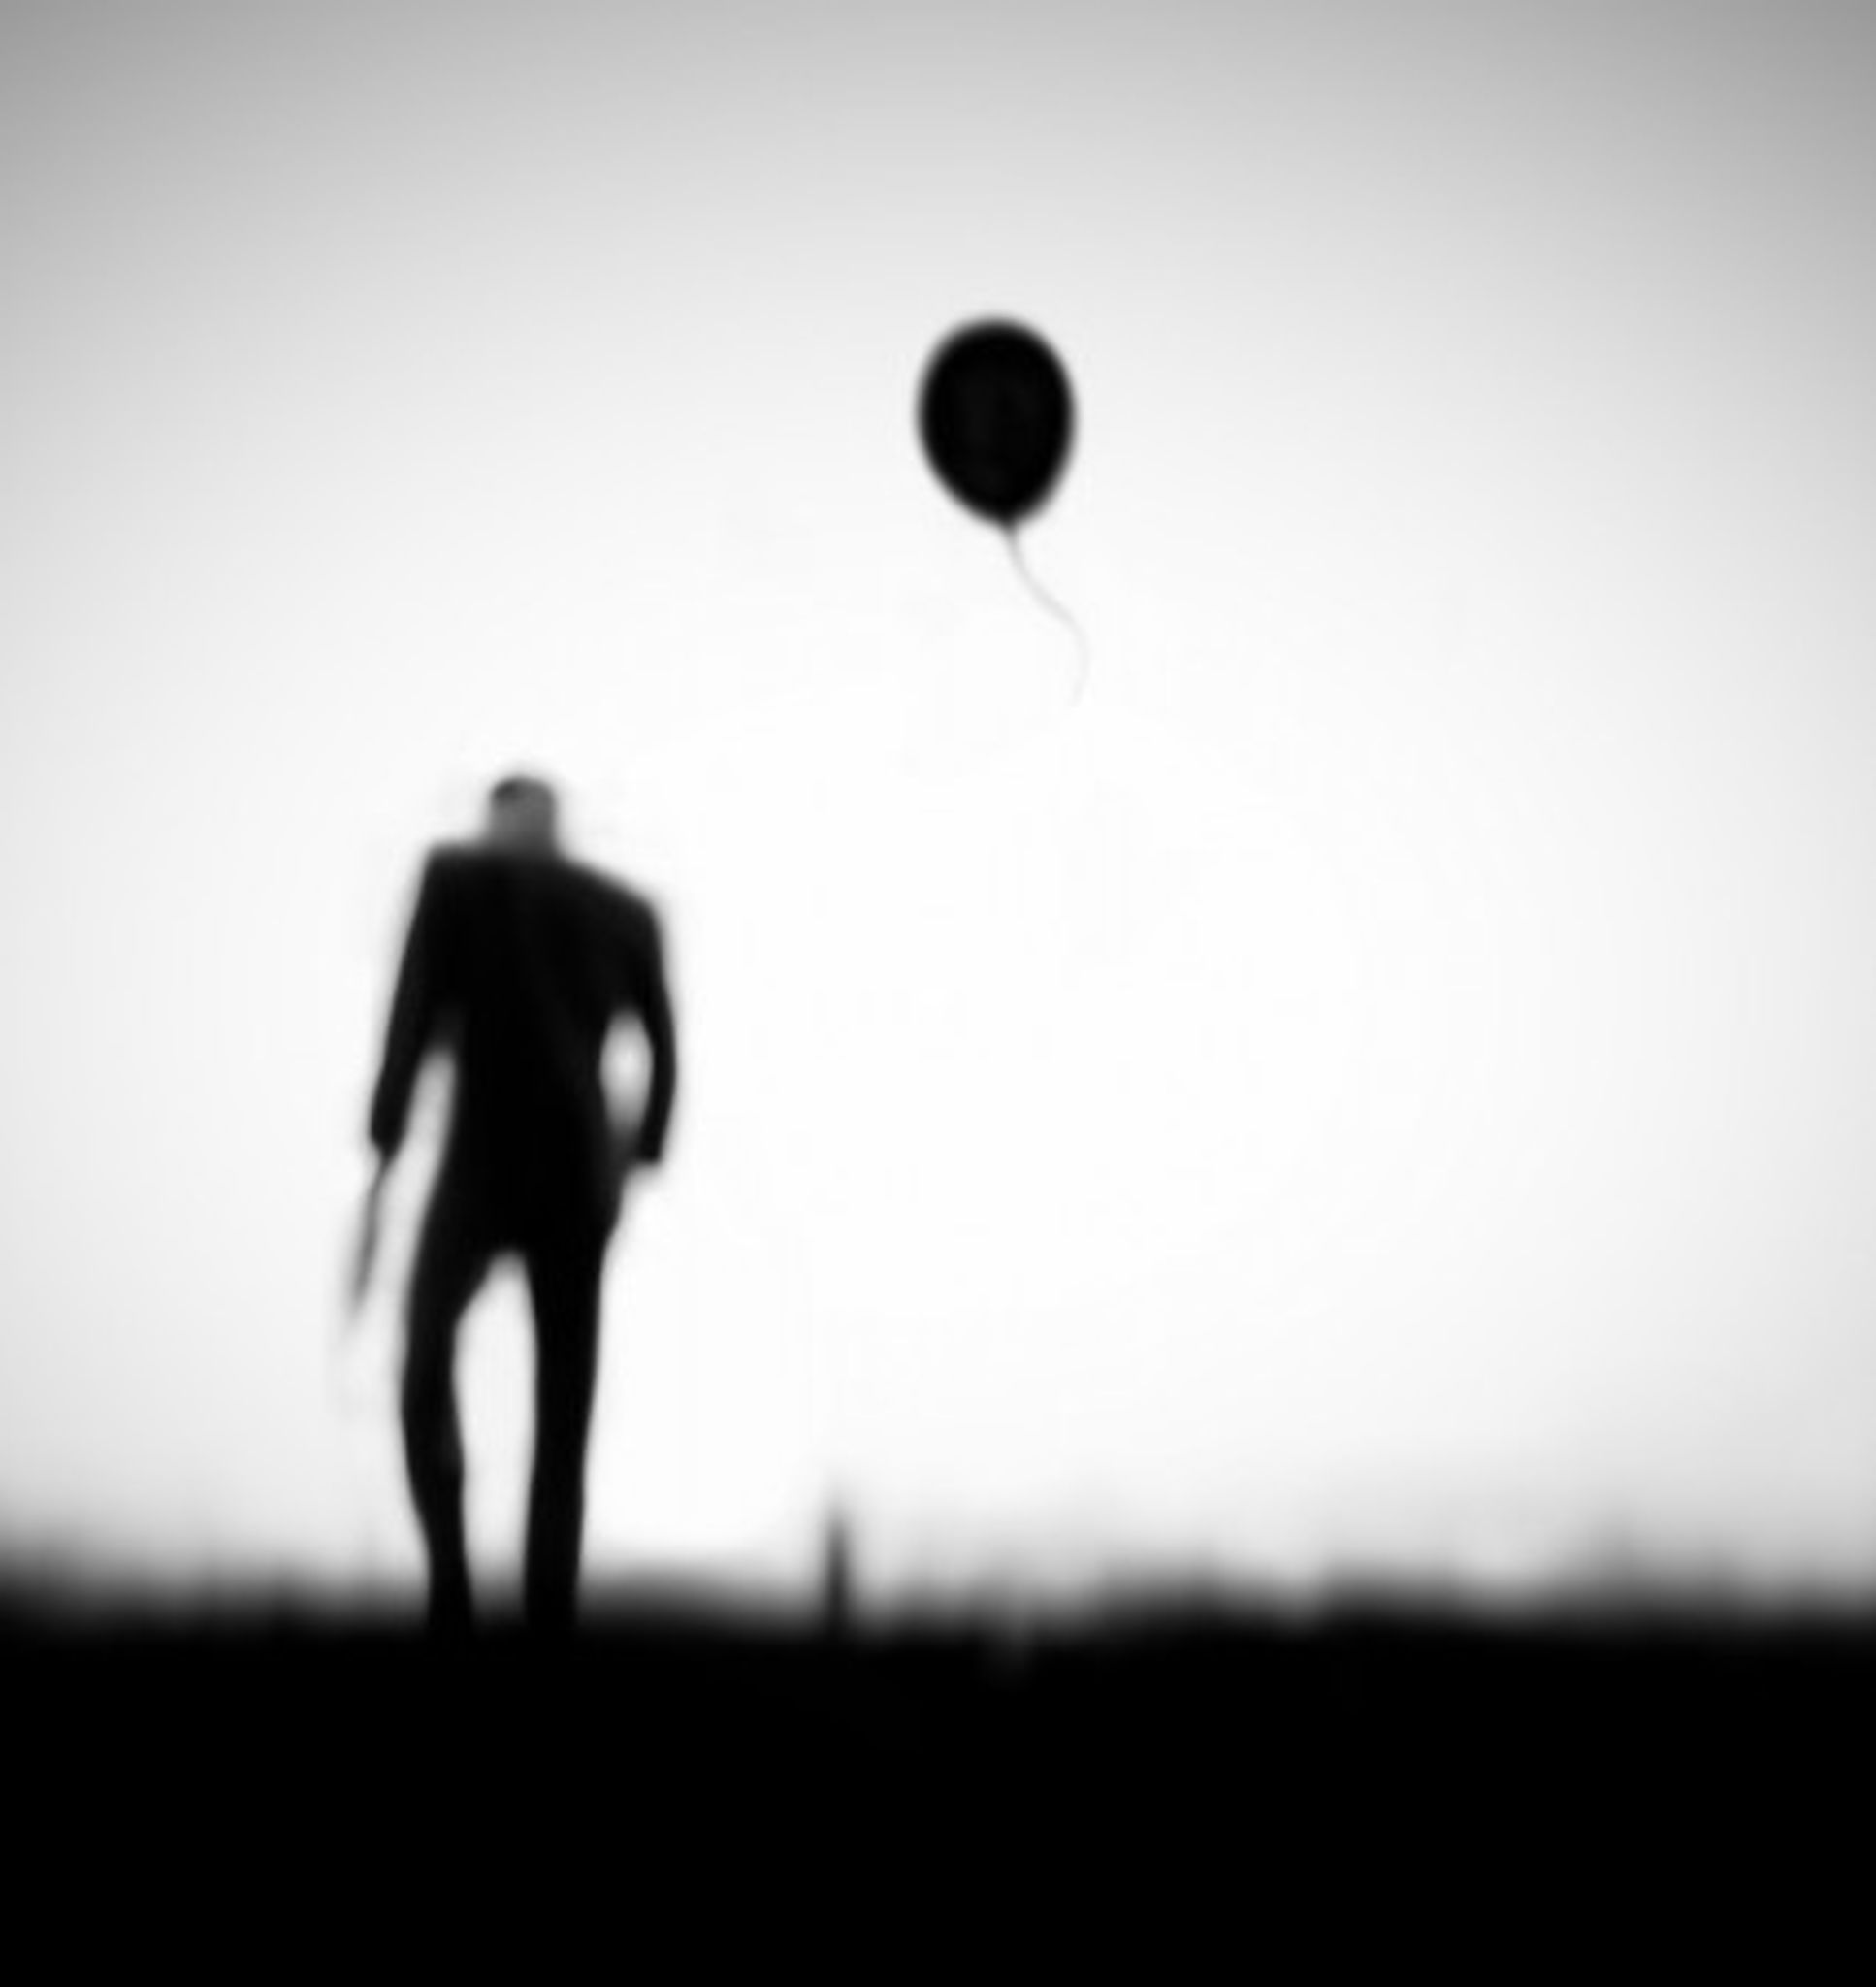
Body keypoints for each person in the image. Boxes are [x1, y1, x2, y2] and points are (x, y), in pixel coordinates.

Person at [351, 772, 678, 1637]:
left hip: (501, 1171)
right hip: (565, 1175)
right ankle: (512, 1606)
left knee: (447, 1372)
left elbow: (412, 1014)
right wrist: (636, 1158)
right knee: (547, 1403)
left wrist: (385, 1142)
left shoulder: (460, 880)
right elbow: (665, 1057)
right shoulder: (622, 910)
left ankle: (477, 1599)